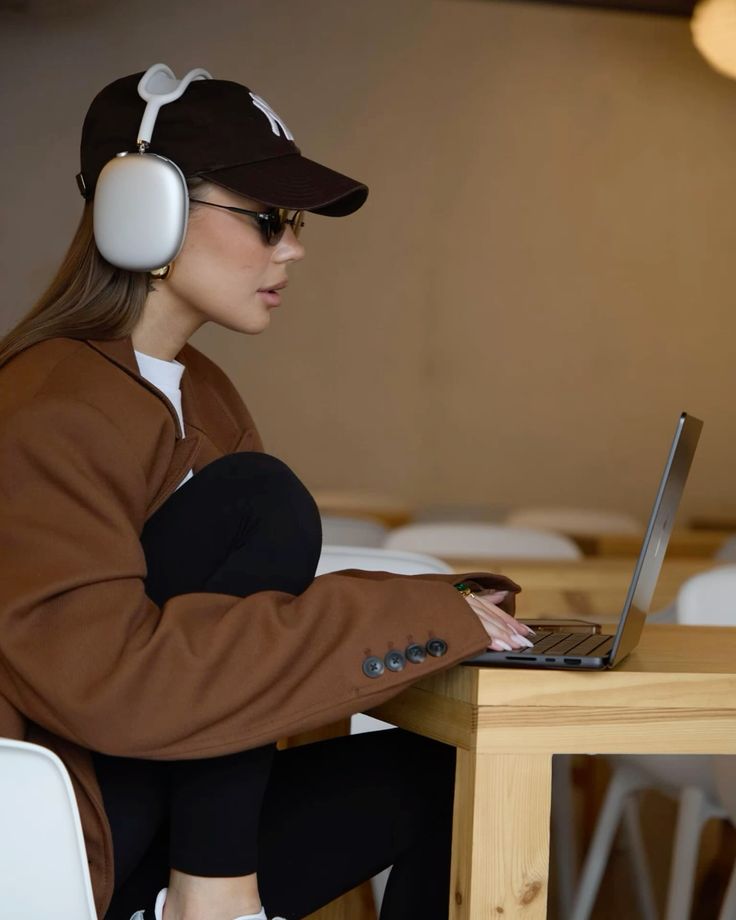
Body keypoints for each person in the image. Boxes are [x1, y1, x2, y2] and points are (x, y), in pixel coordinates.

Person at [0, 65, 534, 920]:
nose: (293, 248)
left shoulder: (199, 390)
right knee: (262, 499)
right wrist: (407, 615)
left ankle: (211, 893)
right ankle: (215, 898)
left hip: (166, 813)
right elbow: (114, 683)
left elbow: (226, 619)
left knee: (436, 777)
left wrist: (439, 608)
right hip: (70, 832)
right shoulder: (47, 403)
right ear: (144, 211)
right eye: (266, 219)